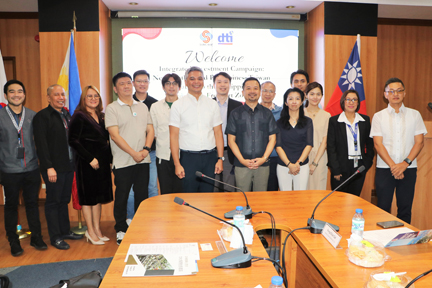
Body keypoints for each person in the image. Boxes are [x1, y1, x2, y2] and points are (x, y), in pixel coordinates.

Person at [105, 72, 154, 245]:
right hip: (123, 161)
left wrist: (146, 149)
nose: (126, 86)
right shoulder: (111, 108)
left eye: (128, 83)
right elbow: (115, 136)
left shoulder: (142, 107)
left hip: (143, 159)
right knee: (122, 196)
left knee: (142, 195)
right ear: (115, 88)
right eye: (122, 84)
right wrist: (134, 153)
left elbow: (150, 129)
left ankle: (139, 226)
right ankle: (120, 229)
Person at [0, 80, 47, 256]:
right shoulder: (0, 116)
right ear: (6, 95)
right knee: (11, 206)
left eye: (20, 91)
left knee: (32, 204)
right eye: (12, 92)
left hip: (31, 168)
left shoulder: (34, 116)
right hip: (9, 170)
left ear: (24, 95)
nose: (16, 94)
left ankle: (36, 237)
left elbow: (40, 142)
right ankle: (13, 241)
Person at [33, 84, 83, 250]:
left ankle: (64, 231)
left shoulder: (67, 115)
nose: (61, 97)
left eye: (63, 94)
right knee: (53, 202)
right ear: (48, 98)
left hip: (68, 166)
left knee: (63, 201)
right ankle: (55, 237)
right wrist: (48, 167)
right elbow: (41, 145)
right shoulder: (42, 117)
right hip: (53, 169)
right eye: (56, 94)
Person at [370, 78, 426, 224]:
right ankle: (382, 242)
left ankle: (403, 243)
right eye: (391, 91)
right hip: (384, 169)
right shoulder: (378, 116)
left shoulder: (415, 115)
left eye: (399, 90)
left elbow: (419, 142)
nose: (396, 94)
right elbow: (378, 144)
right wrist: (394, 166)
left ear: (404, 93)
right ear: (385, 94)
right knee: (382, 208)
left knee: (405, 208)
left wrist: (404, 164)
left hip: (408, 168)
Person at [68, 85, 113, 245]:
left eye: (96, 96)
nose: (93, 99)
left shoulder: (102, 116)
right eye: (89, 96)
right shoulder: (79, 116)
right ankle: (90, 231)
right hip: (86, 164)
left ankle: (97, 229)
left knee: (98, 198)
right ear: (83, 99)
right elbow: (72, 140)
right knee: (88, 199)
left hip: (101, 164)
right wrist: (89, 158)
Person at [169, 66, 224, 192]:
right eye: (192, 79)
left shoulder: (212, 104)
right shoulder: (178, 105)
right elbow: (173, 136)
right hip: (188, 159)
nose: (196, 82)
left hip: (210, 158)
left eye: (200, 78)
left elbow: (218, 134)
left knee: (208, 197)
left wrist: (220, 159)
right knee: (189, 196)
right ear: (186, 82)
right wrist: (177, 164)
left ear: (204, 81)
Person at [226, 77, 278, 192]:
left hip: (262, 165)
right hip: (241, 165)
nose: (252, 91)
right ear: (243, 92)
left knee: (261, 199)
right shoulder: (235, 114)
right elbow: (231, 141)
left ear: (260, 92)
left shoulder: (267, 113)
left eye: (255, 88)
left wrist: (263, 159)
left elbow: (272, 139)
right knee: (242, 198)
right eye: (248, 88)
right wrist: (242, 160)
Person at [327, 90, 374, 196]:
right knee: (339, 200)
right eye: (348, 99)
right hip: (340, 166)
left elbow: (370, 144)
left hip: (359, 166)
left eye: (354, 99)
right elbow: (331, 147)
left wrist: (366, 164)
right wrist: (335, 170)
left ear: (358, 103)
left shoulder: (365, 120)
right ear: (343, 101)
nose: (351, 102)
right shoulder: (334, 121)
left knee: (354, 199)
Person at [126, 70, 158, 223]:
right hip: (130, 153)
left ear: (149, 83)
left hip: (150, 153)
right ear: (133, 83)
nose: (142, 84)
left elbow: (156, 129)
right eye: (139, 81)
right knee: (132, 190)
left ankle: (152, 218)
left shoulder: (155, 103)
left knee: (152, 187)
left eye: (145, 81)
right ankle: (131, 218)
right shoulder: (126, 101)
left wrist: (147, 148)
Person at [150, 73, 183, 194]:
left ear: (179, 87)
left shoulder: (185, 105)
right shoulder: (155, 107)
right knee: (166, 191)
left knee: (181, 191)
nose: (171, 86)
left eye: (175, 83)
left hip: (183, 155)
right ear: (163, 87)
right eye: (168, 83)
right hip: (163, 155)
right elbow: (154, 131)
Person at [276, 88, 313, 191]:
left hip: (301, 166)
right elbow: (278, 146)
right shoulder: (279, 123)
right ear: (286, 102)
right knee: (285, 197)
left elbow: (309, 144)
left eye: (297, 99)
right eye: (290, 99)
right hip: (283, 166)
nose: (294, 101)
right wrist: (289, 165)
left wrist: (298, 164)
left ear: (301, 102)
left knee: (300, 197)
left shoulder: (308, 122)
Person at [212, 72, 242, 192]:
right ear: (214, 85)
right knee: (213, 187)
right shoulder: (208, 104)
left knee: (229, 188)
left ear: (230, 85)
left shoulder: (238, 105)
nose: (222, 85)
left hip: (230, 152)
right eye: (219, 82)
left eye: (225, 82)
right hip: (212, 151)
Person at [303, 82, 331, 190]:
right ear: (306, 95)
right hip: (302, 157)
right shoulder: (300, 113)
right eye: (312, 94)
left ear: (322, 96)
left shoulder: (326, 115)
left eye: (318, 94)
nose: (315, 97)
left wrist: (315, 162)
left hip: (320, 157)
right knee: (302, 189)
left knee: (318, 190)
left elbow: (325, 140)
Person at [260, 81, 282, 191]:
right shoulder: (253, 110)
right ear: (260, 92)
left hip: (274, 157)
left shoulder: (281, 112)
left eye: (271, 91)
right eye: (264, 90)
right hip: (257, 158)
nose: (267, 94)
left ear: (274, 94)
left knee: (272, 190)